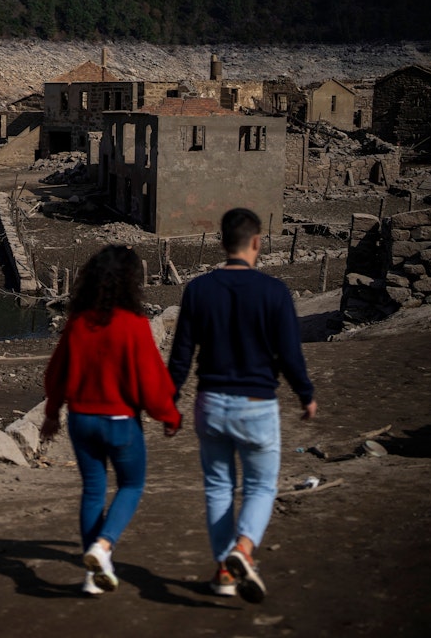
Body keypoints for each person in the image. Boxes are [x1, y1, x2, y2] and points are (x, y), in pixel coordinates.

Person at [168, 208, 317, 604]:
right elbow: (290, 354)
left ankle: (223, 571)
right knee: (261, 486)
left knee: (219, 488)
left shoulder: (198, 290)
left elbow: (181, 355)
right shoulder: (274, 292)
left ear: (222, 243)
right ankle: (244, 548)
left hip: (210, 404)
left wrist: (169, 403)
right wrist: (305, 394)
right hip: (257, 404)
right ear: (256, 242)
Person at [41, 245, 182, 596]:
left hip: (82, 420)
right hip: (120, 421)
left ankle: (94, 575)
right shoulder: (134, 325)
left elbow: (56, 373)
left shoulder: (77, 323)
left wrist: (51, 414)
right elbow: (151, 381)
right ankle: (103, 545)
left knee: (93, 490)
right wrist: (169, 415)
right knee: (131, 485)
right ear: (131, 282)